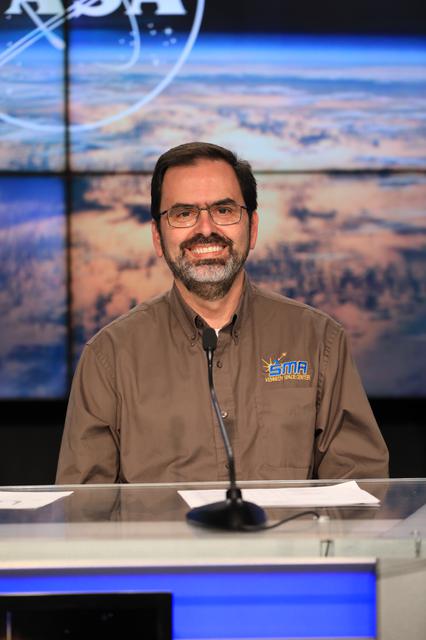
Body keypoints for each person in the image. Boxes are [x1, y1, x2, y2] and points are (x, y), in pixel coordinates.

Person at [56, 142, 388, 484]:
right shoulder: (109, 357)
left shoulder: (320, 341)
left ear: (252, 228)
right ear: (157, 236)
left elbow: (362, 488)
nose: (205, 229)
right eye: (183, 213)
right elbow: (85, 506)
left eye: (224, 210)